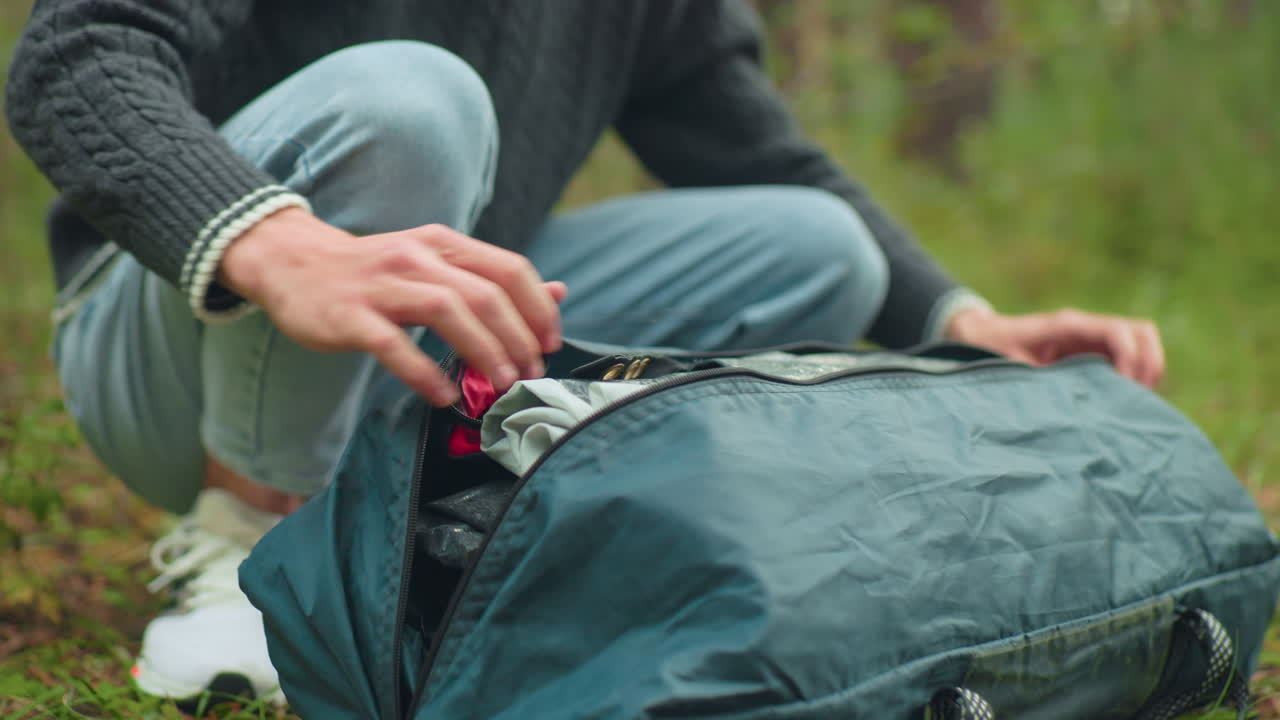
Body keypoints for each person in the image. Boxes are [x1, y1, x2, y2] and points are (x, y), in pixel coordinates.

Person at [4, 0, 1165, 706]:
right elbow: (75, 55)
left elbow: (751, 143)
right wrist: (270, 237)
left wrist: (958, 320)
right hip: (174, 334)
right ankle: (245, 537)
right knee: (415, 102)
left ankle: (468, 521)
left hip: (409, 329)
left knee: (813, 249)